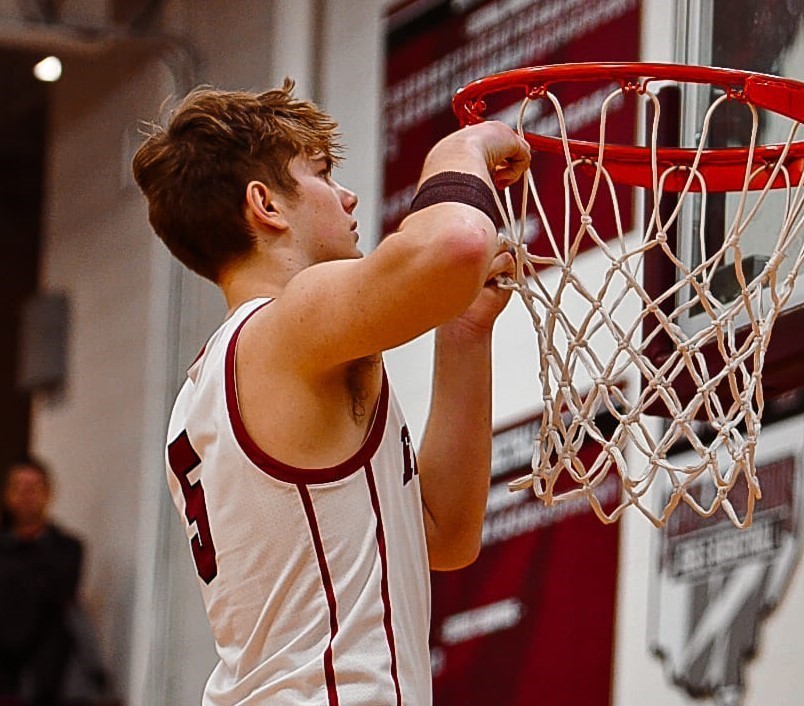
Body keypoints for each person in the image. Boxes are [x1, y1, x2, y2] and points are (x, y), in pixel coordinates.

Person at [131, 80, 530, 704]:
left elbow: (444, 538)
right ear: (266, 205)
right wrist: (462, 148)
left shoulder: (217, 383)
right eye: (321, 172)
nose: (348, 197)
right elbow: (455, 243)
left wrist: (465, 333)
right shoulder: (286, 324)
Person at [0, 459, 83, 705]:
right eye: (20, 487)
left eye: (34, 487)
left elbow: (58, 596)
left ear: (48, 493)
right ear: (7, 494)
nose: (27, 495)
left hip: (48, 678)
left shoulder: (67, 548)